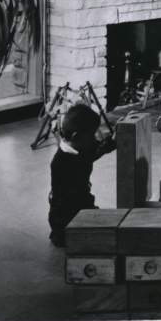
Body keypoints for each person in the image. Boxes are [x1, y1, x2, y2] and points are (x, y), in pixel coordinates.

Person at [48, 104, 116, 247]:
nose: (96, 138)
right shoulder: (61, 163)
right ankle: (63, 236)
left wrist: (112, 142)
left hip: (81, 207)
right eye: (92, 135)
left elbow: (94, 152)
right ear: (76, 136)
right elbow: (68, 203)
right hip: (66, 220)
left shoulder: (79, 147)